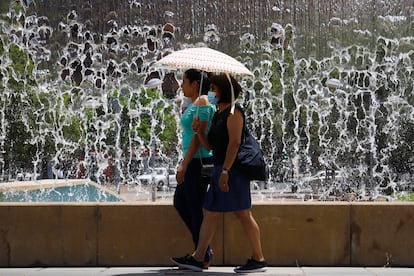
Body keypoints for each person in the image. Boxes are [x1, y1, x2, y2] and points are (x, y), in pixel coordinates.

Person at [171, 73, 267, 273]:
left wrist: (225, 170)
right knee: (209, 212)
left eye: (214, 89)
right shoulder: (218, 113)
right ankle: (199, 257)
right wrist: (198, 131)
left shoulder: (234, 112)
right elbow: (211, 145)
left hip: (232, 172)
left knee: (243, 214)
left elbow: (235, 143)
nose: (212, 92)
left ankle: (258, 258)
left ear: (223, 90)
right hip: (219, 169)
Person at [173, 69, 216, 269]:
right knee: (182, 201)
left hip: (197, 163)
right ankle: (203, 251)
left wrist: (184, 164)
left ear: (195, 84)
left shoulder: (203, 103)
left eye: (184, 81)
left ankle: (202, 255)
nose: (182, 85)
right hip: (194, 162)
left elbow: (198, 141)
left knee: (193, 207)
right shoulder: (196, 103)